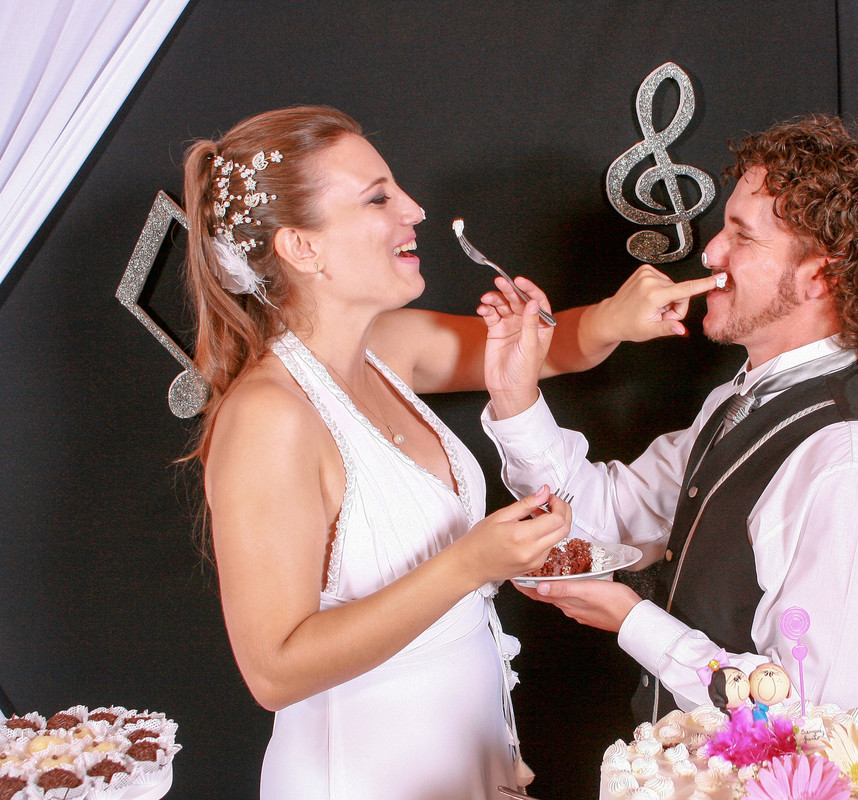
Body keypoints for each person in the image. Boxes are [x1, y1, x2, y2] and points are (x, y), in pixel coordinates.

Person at [181, 105, 714, 800]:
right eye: (378, 198)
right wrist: (471, 563)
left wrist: (617, 317)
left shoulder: (385, 348)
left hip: (463, 764)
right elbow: (274, 672)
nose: (415, 209)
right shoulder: (269, 417)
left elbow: (535, 351)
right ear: (302, 248)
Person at [481, 114, 858, 721]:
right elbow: (608, 515)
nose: (710, 252)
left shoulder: (850, 464)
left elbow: (817, 717)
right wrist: (514, 393)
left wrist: (633, 620)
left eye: (742, 236)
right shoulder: (739, 399)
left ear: (821, 278)